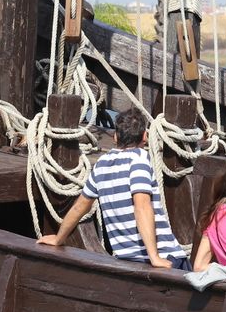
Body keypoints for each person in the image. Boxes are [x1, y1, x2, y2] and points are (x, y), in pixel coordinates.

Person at [40, 112, 188, 269]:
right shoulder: (139, 159)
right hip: (164, 257)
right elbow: (142, 206)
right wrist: (154, 257)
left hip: (127, 258)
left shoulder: (101, 164)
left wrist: (58, 239)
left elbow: (79, 207)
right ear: (144, 136)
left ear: (115, 137)